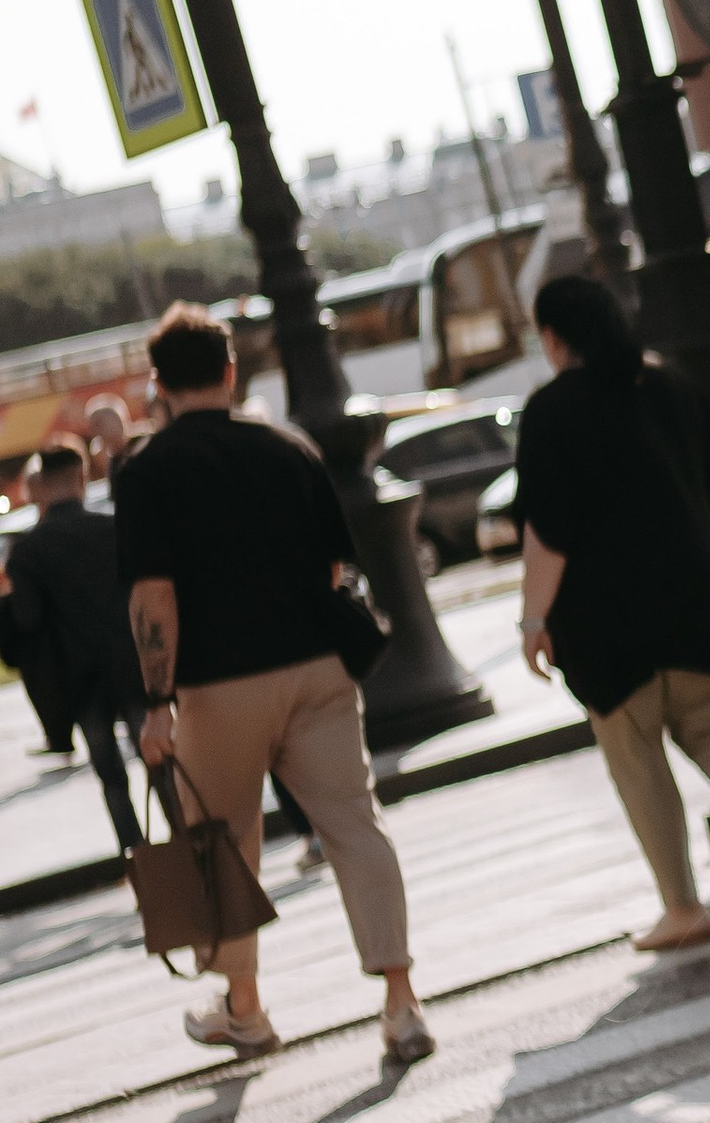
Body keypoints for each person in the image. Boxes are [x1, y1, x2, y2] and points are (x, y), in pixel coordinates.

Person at [117, 303, 432, 1066]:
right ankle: (400, 1002)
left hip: (217, 687)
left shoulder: (148, 470)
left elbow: (153, 598)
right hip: (317, 669)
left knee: (220, 846)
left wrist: (157, 704)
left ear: (159, 386)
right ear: (230, 373)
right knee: (355, 825)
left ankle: (246, 1009)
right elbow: (333, 567)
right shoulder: (290, 449)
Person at [513, 273, 710, 952]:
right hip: (689, 595)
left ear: (554, 336)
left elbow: (548, 531)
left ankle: (682, 907)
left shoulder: (550, 412)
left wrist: (534, 621)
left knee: (635, 753)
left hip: (604, 621)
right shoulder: (671, 387)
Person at [5, 442, 147, 858]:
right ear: (83, 477)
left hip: (80, 680)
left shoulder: (28, 551)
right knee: (159, 761)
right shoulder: (114, 529)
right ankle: (191, 856)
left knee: (111, 777)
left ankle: (139, 864)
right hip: (131, 666)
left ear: (41, 487)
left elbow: (26, 620)